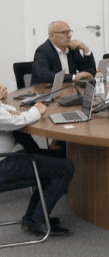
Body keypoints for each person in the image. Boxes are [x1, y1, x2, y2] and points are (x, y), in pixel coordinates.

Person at [0, 83, 75, 237]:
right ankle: (37, 220)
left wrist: (8, 109)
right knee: (65, 168)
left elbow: (4, 110)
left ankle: (32, 218)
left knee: (52, 163)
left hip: (10, 157)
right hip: (5, 163)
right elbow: (15, 121)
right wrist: (36, 109)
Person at [31, 20, 96, 84]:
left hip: (69, 88)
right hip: (46, 89)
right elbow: (44, 75)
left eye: (69, 32)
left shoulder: (72, 49)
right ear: (51, 35)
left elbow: (90, 73)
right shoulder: (42, 51)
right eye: (64, 33)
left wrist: (85, 50)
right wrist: (73, 77)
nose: (69, 36)